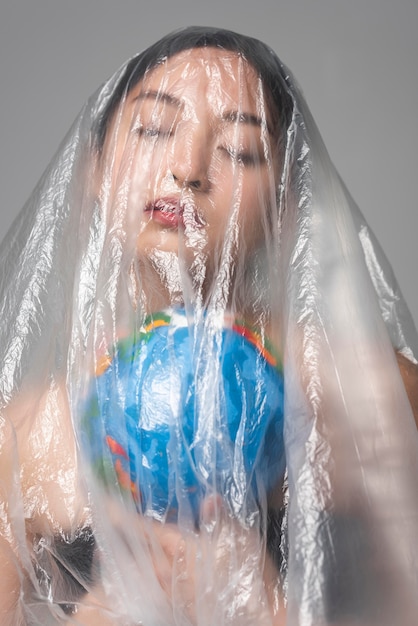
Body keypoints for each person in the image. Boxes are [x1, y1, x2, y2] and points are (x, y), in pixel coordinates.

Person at [0, 26, 417, 625]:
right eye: (154, 130)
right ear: (93, 169)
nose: (188, 169)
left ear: (288, 197)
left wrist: (271, 614)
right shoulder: (23, 439)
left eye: (241, 150)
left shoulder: (374, 397)